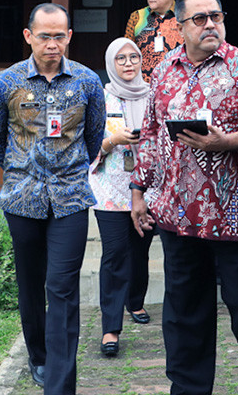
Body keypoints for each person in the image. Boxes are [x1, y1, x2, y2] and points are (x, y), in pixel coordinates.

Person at [130, 0, 238, 395]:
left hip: (233, 210)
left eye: (216, 16)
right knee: (184, 310)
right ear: (179, 27)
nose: (210, 24)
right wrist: (138, 190)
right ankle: (188, 387)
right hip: (176, 211)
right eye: (199, 19)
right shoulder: (163, 71)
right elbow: (149, 134)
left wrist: (230, 142)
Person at [0, 4, 106, 394]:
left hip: (70, 197)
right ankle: (37, 355)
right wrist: (24, 169)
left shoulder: (87, 82)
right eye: (44, 36)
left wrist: (66, 169)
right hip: (22, 198)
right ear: (28, 36)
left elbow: (94, 135)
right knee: (31, 284)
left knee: (62, 287)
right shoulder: (6, 82)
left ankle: (60, 380)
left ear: (69, 36)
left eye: (59, 35)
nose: (52, 44)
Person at [88, 37, 156, 359]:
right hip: (111, 189)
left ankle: (135, 300)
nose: (129, 64)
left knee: (140, 248)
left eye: (134, 57)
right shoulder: (100, 98)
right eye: (121, 59)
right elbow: (88, 146)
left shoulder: (154, 95)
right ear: (110, 63)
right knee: (115, 254)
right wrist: (112, 141)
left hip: (149, 188)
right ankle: (110, 328)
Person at [125, 0, 183, 79]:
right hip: (144, 88)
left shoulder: (186, 16)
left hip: (178, 86)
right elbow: (127, 54)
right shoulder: (137, 17)